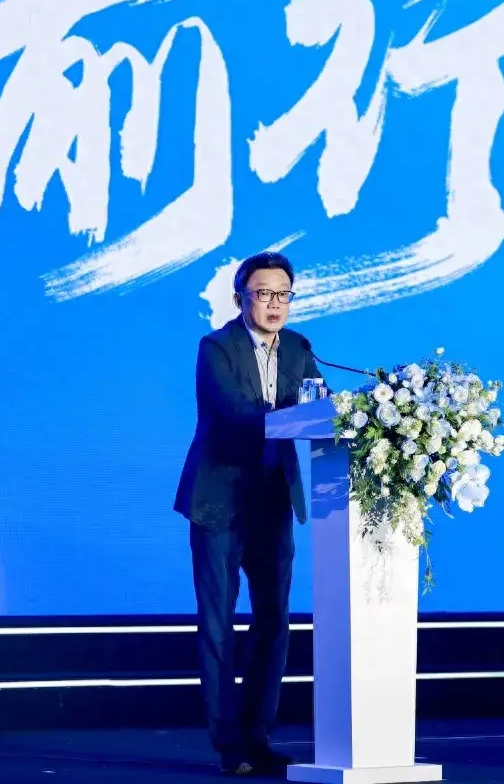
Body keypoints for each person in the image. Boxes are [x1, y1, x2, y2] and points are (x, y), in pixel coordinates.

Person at [174, 252, 324, 777]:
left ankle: (258, 736)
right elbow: (234, 413)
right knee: (218, 625)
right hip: (219, 501)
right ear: (241, 298)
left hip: (272, 501)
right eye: (264, 293)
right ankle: (229, 744)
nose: (275, 303)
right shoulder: (216, 347)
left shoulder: (299, 348)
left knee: (273, 622)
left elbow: (320, 405)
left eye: (283, 294)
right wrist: (295, 414)